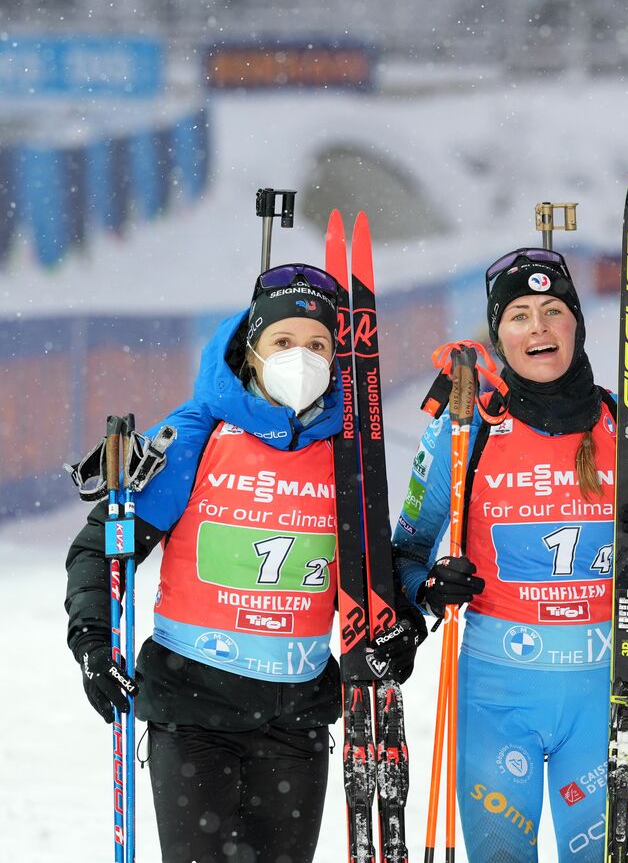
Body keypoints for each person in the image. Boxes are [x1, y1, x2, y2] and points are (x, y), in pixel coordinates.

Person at [63, 264, 425, 863]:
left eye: (317, 346)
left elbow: (372, 579)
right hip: (193, 713)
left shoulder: (348, 449)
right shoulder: (197, 435)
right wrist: (94, 646)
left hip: (296, 719)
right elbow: (101, 548)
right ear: (252, 352)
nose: (301, 358)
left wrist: (400, 629)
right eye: (283, 342)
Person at [391, 247, 628, 863]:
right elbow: (407, 552)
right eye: (519, 315)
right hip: (494, 693)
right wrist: (430, 589)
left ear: (577, 325)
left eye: (553, 311)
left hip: (608, 691)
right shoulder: (462, 428)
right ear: (499, 334)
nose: (538, 328)